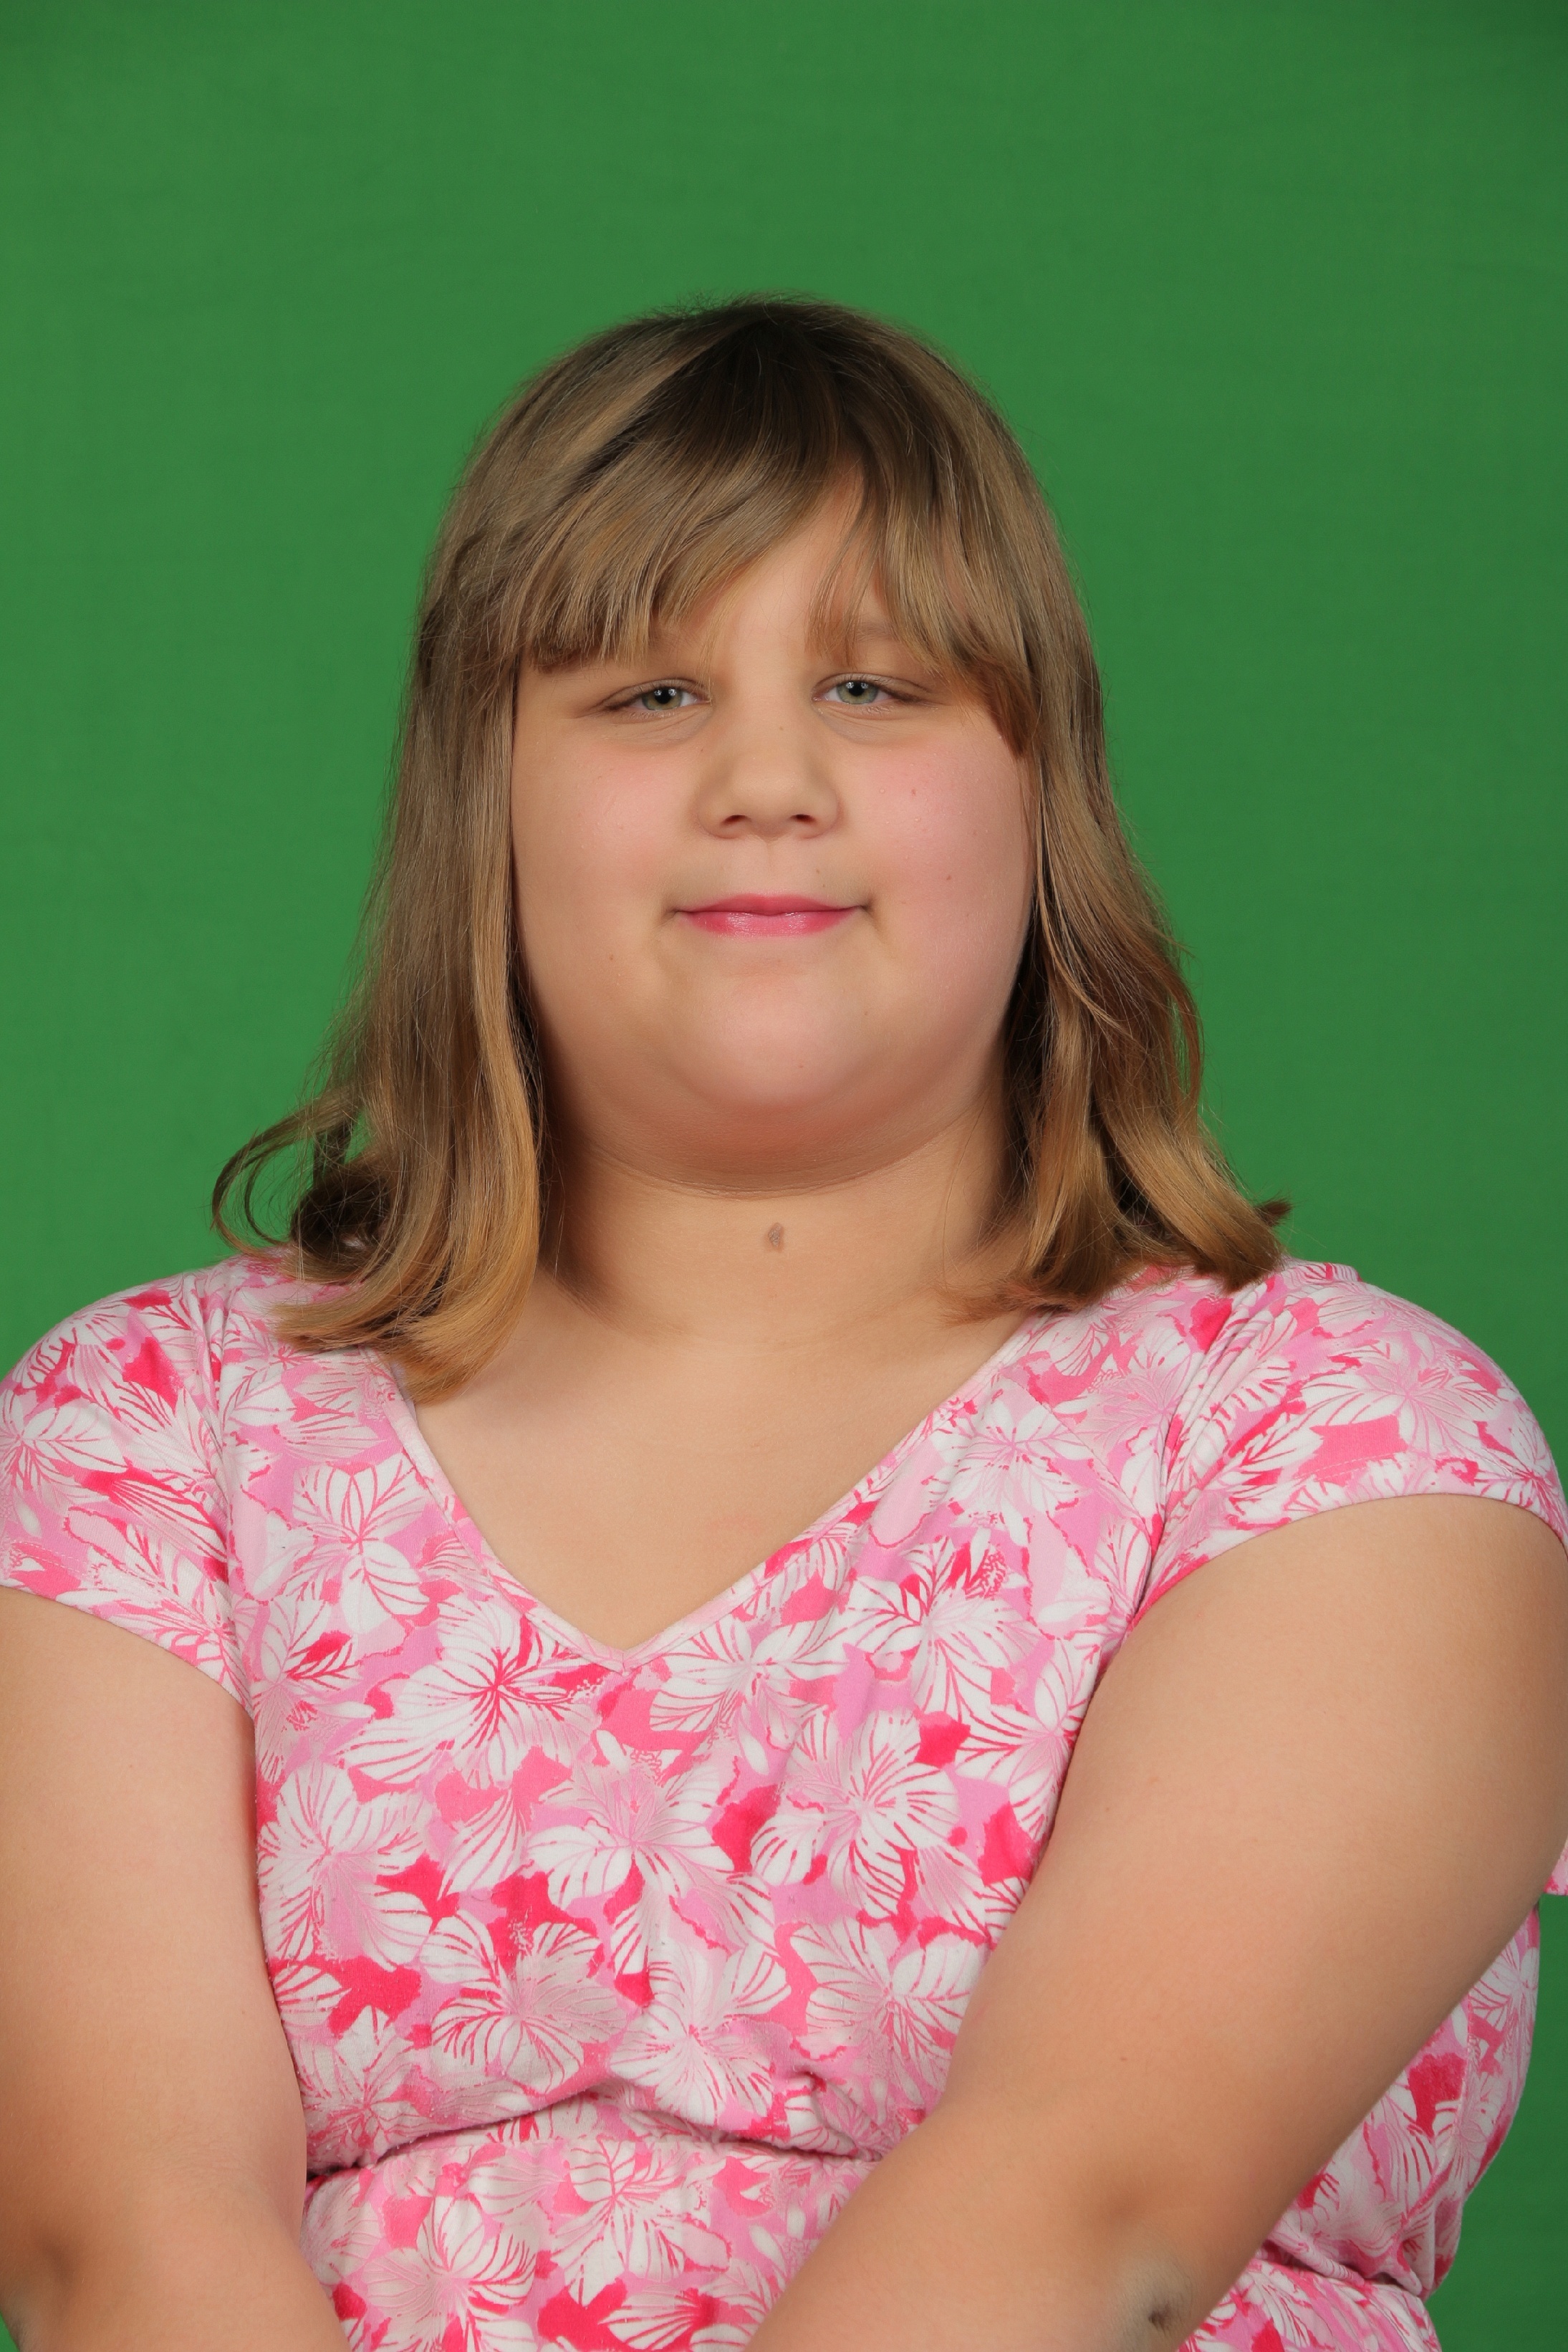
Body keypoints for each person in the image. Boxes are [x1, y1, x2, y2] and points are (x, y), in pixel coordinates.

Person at [0, 297, 1564, 2352]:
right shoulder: (145, 1436)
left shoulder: (1346, 1441)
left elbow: (1087, 2211)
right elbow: (123, 2242)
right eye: (648, 691)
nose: (764, 779)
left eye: (874, 684)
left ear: (1040, 794)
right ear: (486, 802)